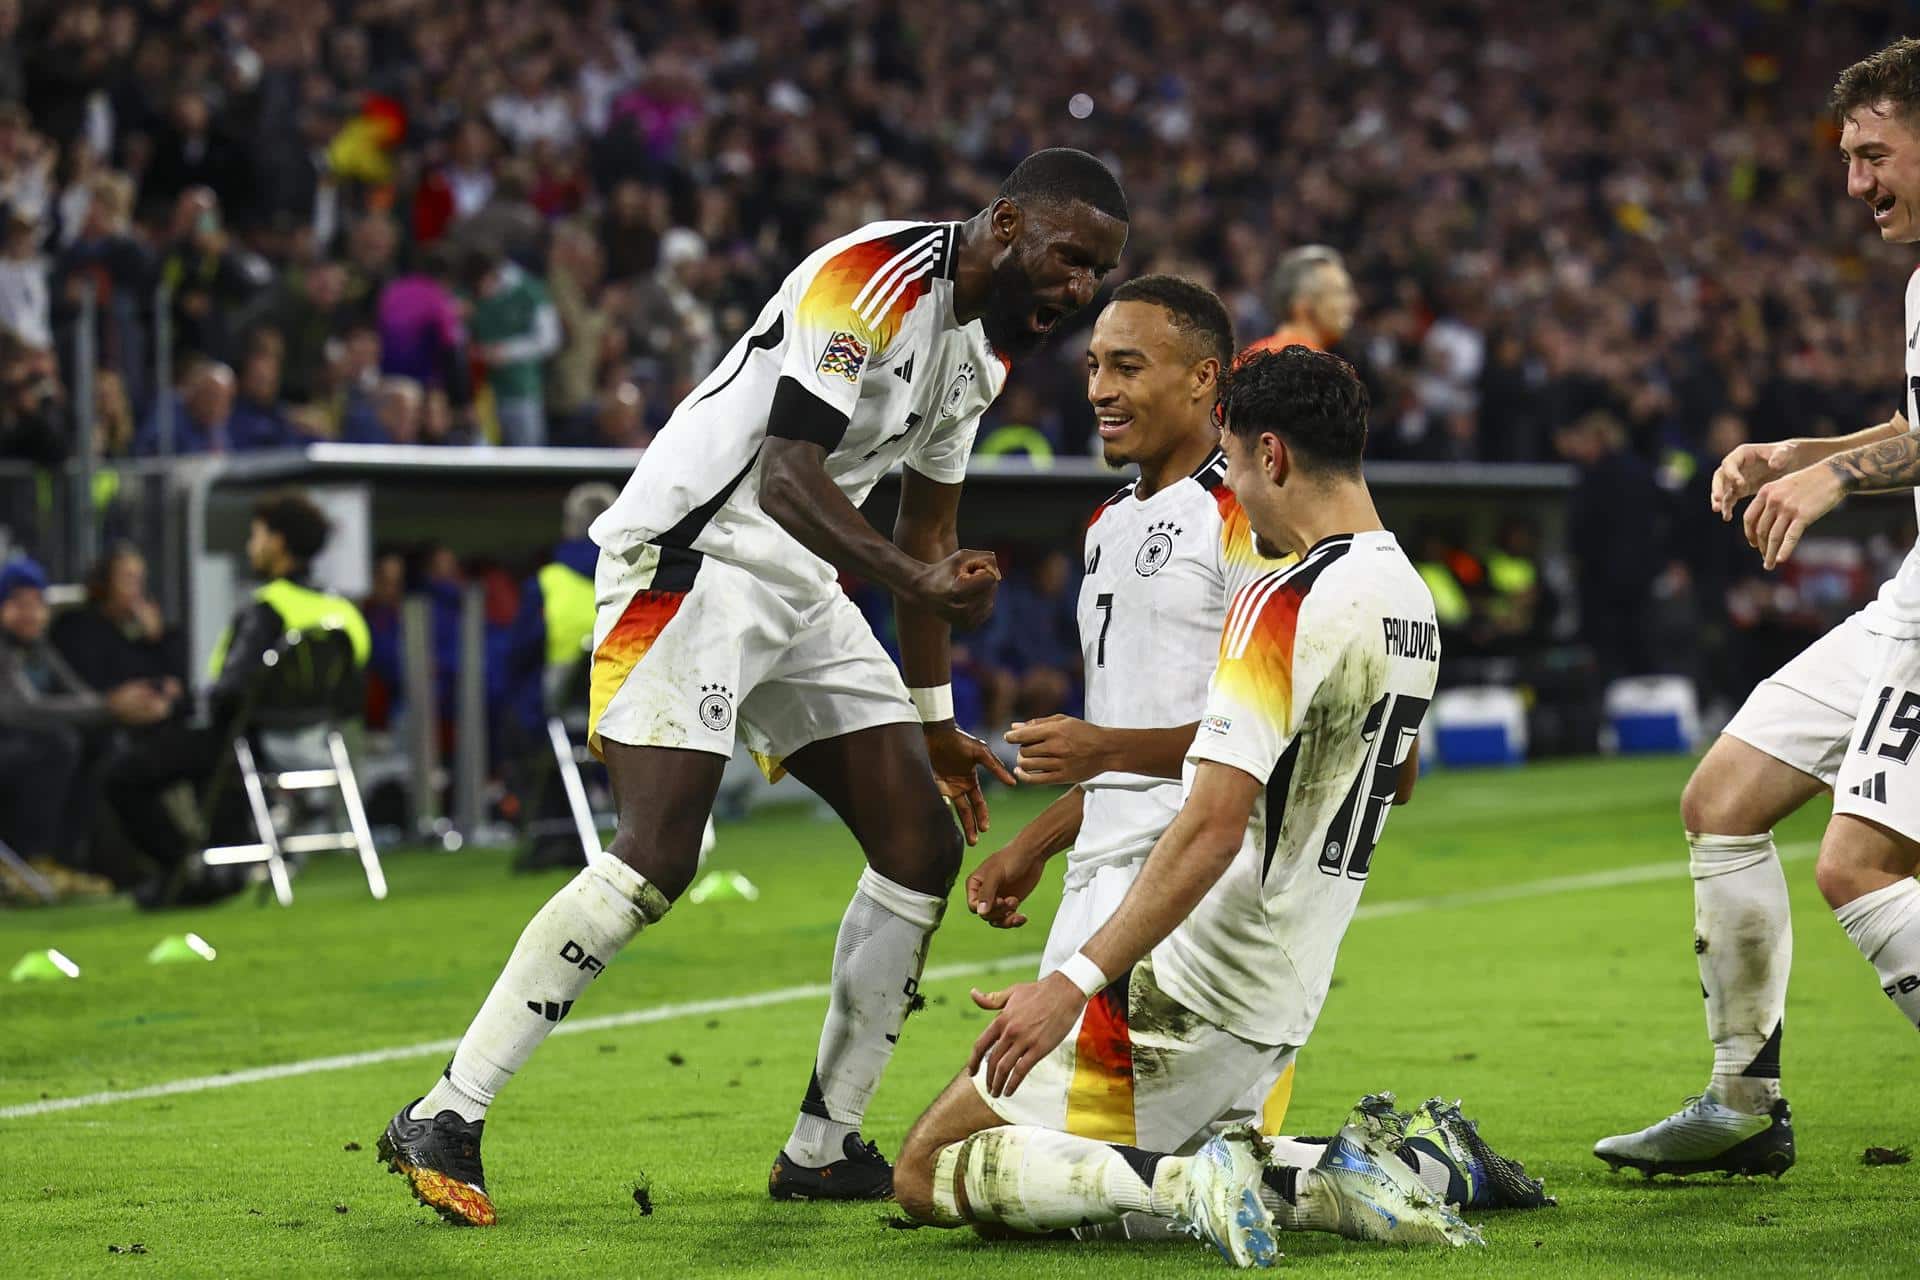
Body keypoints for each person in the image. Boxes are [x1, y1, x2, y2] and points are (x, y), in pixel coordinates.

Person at [377, 147, 1131, 1225]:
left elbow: (931, 539)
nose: (1079, 289)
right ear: (1007, 224)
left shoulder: (978, 355)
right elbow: (788, 474)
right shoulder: (869, 274)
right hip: (692, 556)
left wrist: (937, 723)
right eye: (1070, 258)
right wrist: (914, 574)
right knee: (658, 851)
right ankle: (446, 1110)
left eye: (1098, 272)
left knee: (921, 840)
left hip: (798, 586)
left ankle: (823, 1147)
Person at [968, 281, 1545, 1237]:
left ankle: (1392, 1166)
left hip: (1187, 878)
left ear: (1207, 385)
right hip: (1123, 870)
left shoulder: (1253, 532)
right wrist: (1041, 839)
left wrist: (1105, 751)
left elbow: (1250, 748)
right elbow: (1195, 724)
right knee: (1110, 1184)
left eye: (1128, 366)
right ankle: (1420, 1167)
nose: (1101, 388)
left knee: (1040, 1178)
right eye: (1094, 366)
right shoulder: (1108, 523)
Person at [889, 346, 1459, 1261]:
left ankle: (1200, 1184)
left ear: (1270, 456)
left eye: (1231, 462)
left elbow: (1208, 825)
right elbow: (1397, 779)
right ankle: (1423, 1167)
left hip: (1198, 979)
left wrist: (1065, 986)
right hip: (1288, 984)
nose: (1232, 485)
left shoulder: (1282, 599)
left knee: (926, 1169)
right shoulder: (1408, 600)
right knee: (1133, 1177)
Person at [1596, 37, 1920, 1180]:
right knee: (1724, 797)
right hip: (1911, 598)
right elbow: (1915, 428)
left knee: (1860, 863)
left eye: (1875, 152)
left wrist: (1833, 482)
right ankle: (1742, 1105)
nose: (1855, 183)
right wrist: (1807, 448)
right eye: (1848, 157)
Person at [102, 491, 369, 904]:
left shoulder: (267, 608)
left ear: (277, 543)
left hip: (251, 744)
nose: (251, 545)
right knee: (214, 762)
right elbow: (353, 695)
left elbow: (231, 692)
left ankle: (182, 872)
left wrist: (175, 706)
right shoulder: (344, 612)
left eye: (256, 536)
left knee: (124, 772)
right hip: (320, 743)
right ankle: (222, 872)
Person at [0, 554, 173, 889]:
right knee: (58, 745)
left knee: (103, 743)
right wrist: (111, 706)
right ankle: (31, 857)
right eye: (19, 603)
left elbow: (80, 696)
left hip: (25, 749)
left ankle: (68, 858)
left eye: (38, 603)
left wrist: (123, 707)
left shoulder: (38, 648)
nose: (31, 613)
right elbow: (18, 710)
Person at [51, 542, 184, 695]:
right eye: (128, 579)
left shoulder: (149, 635)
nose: (136, 590)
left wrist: (158, 638)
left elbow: (179, 690)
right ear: (105, 582)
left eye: (140, 581)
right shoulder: (76, 627)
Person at [1243, 246, 1358, 357]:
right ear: (1301, 304)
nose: (1353, 303)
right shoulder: (1298, 363)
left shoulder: (1255, 356)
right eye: (1338, 293)